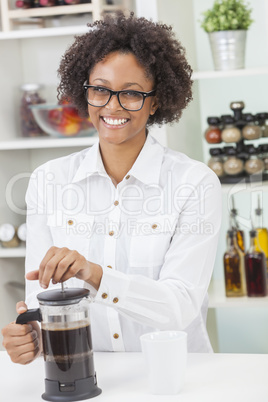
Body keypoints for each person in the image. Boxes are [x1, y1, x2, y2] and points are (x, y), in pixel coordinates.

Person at [1, 12, 221, 364]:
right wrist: (29, 338)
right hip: (86, 374)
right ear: (84, 91)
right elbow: (40, 301)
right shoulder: (48, 181)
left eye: (132, 93)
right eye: (100, 89)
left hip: (176, 375)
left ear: (157, 100)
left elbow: (179, 307)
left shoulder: (194, 183)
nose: (112, 106)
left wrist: (95, 274)